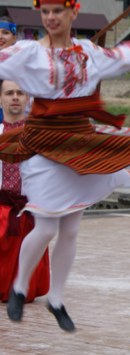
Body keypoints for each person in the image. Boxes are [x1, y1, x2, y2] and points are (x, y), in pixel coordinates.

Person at [1, 0, 130, 331]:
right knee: (46, 225)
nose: (51, 18)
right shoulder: (29, 53)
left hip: (79, 144)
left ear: (73, 13)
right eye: (46, 12)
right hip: (44, 144)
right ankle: (20, 286)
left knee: (70, 228)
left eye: (58, 11)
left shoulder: (88, 52)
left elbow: (124, 57)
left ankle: (57, 300)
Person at [0, 80, 49, 304]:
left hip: (28, 210)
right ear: (1, 99)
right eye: (9, 93)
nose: (15, 97)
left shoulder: (37, 136)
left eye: (20, 93)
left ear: (27, 99)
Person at [0, 16, 18, 123]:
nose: (0, 36)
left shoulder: (22, 63)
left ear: (14, 38)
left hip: (13, 118)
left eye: (5, 33)